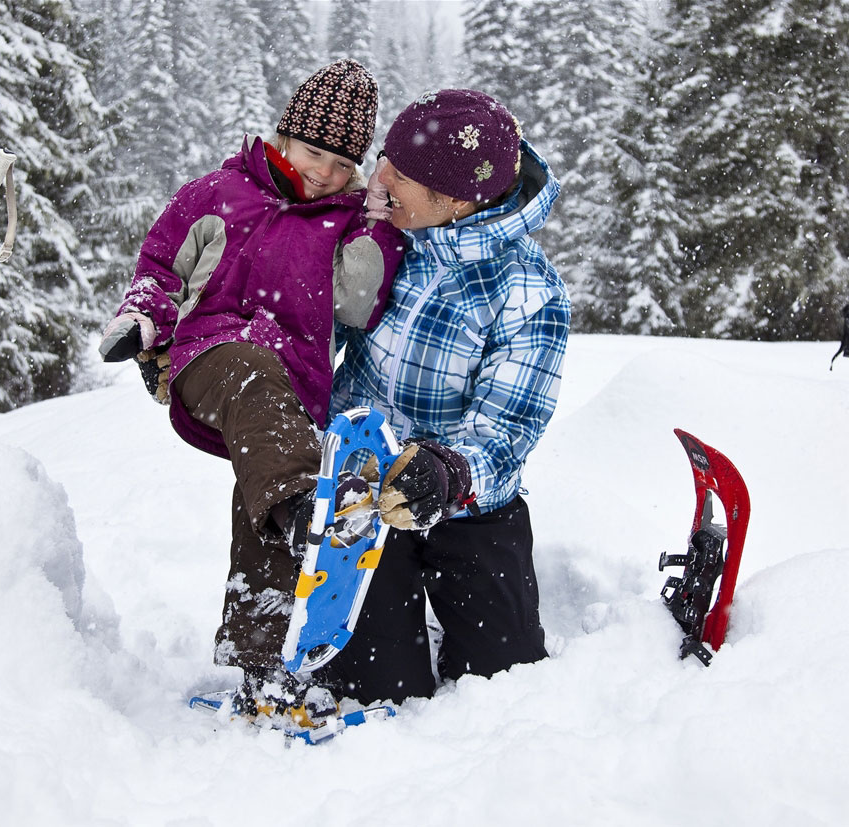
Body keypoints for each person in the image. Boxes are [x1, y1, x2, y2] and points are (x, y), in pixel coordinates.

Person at [97, 60, 405, 724]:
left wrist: (377, 223)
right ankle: (307, 504)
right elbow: (161, 265)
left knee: (262, 503)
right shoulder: (216, 194)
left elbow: (359, 305)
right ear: (285, 137)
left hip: (290, 395)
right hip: (212, 358)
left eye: (343, 163)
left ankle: (267, 673)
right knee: (257, 395)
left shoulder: (347, 221)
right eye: (315, 151)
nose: (324, 171)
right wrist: (144, 319)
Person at [309, 88, 570, 704]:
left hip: (468, 498)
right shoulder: (382, 236)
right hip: (366, 483)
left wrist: (452, 470)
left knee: (503, 685)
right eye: (385, 158)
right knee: (373, 689)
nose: (380, 176)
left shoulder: (529, 293)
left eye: (400, 173)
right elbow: (311, 324)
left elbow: (508, 430)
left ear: (453, 200)